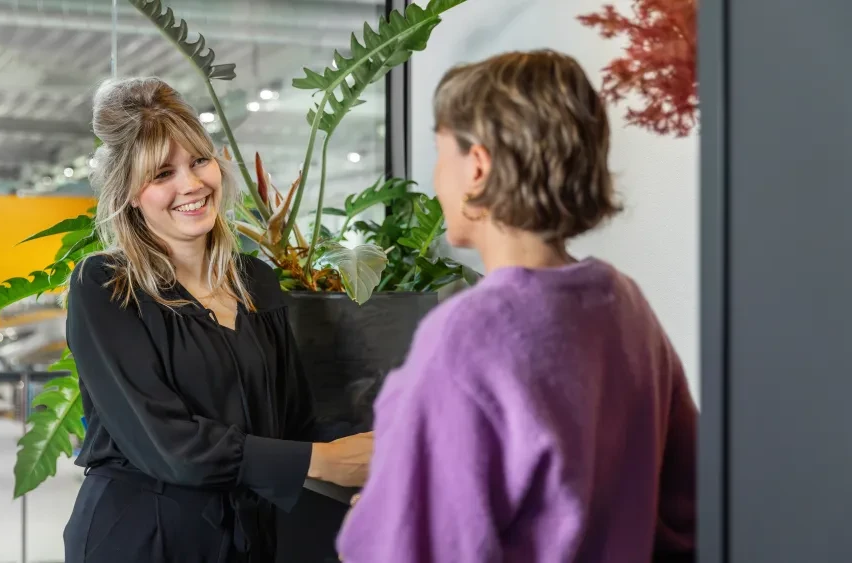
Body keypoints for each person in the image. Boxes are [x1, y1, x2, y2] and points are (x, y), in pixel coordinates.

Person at [336, 50, 697, 562]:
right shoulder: (625, 305)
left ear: (477, 167)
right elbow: (689, 508)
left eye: (441, 153)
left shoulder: (467, 336)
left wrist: (375, 518)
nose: (436, 178)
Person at [62, 77, 373, 563]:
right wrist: (325, 460)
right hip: (144, 538)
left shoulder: (256, 280)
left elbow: (293, 421)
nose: (191, 185)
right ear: (130, 193)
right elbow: (170, 445)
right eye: (162, 173)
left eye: (199, 161)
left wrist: (384, 452)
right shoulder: (106, 285)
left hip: (249, 537)